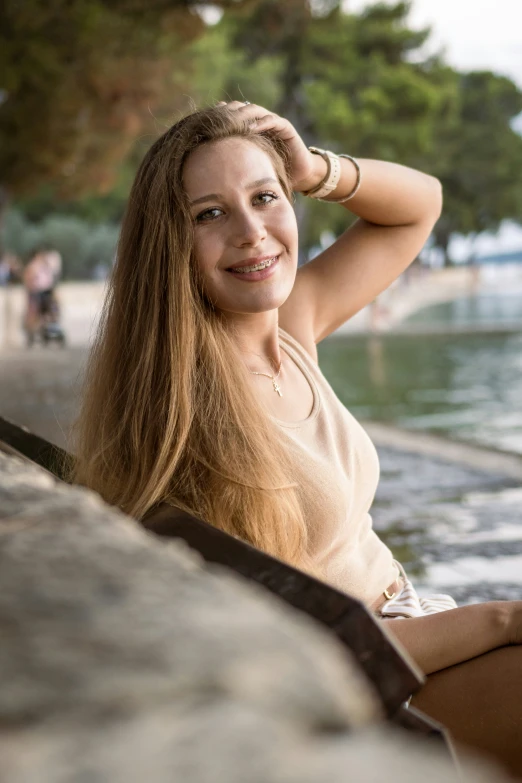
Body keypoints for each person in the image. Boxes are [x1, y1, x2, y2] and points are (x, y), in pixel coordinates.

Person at [71, 102, 522, 776]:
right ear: (170, 242)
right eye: (209, 214)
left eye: (265, 197)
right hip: (375, 685)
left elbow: (419, 206)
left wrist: (316, 169)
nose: (253, 233)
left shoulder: (293, 326)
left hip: (416, 633)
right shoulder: (194, 414)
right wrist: (501, 620)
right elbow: (308, 649)